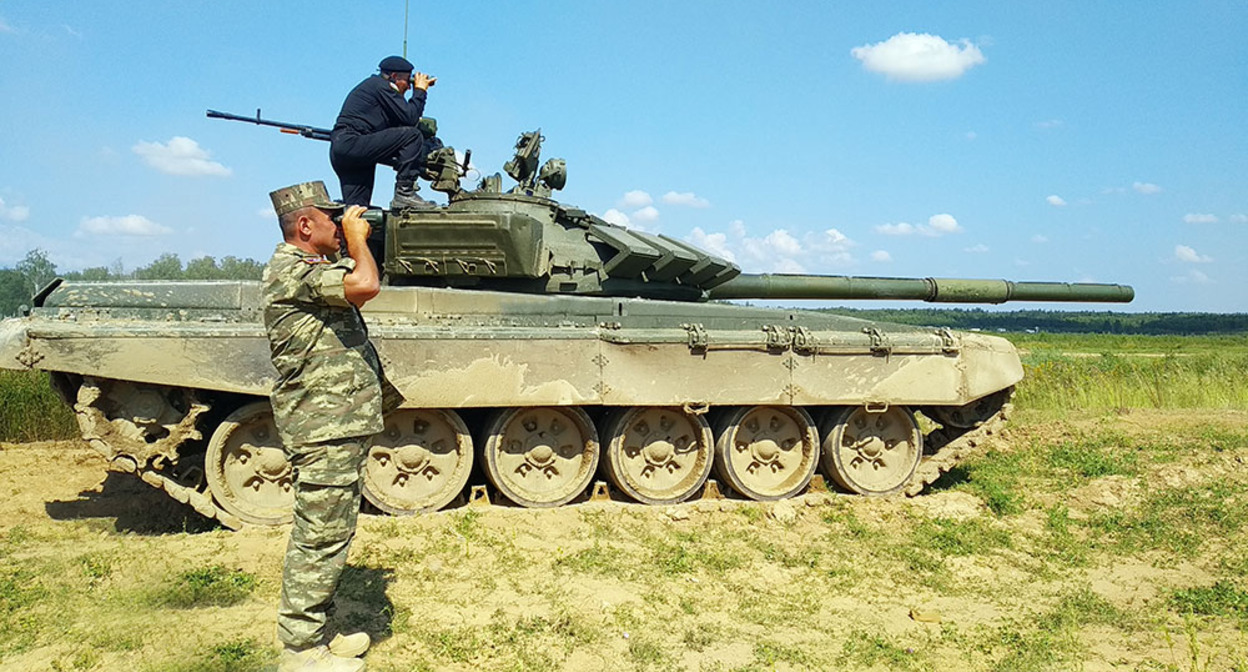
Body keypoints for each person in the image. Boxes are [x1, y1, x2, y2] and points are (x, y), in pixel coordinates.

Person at [263, 180, 401, 671]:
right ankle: (301, 652)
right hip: (323, 427)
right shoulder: (293, 270)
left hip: (334, 423)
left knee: (332, 530)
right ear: (305, 225)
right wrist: (357, 237)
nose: (340, 227)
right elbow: (366, 284)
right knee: (320, 534)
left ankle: (317, 632)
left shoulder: (312, 271)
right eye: (331, 219)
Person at [330, 55, 442, 210]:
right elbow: (410, 118)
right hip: (353, 143)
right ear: (394, 76)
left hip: (347, 151)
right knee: (412, 135)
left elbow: (399, 125)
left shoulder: (374, 88)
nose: (409, 87)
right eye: (408, 81)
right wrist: (420, 91)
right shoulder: (381, 85)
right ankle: (405, 193)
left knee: (357, 211)